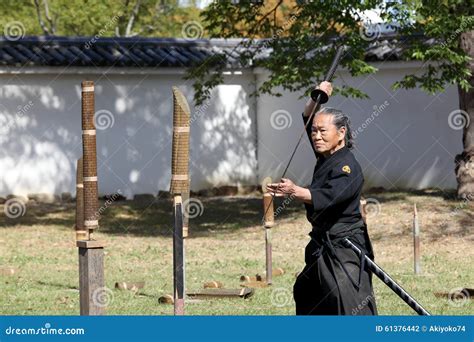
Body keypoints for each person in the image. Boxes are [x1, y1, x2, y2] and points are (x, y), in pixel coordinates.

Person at [266, 81, 378, 315]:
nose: (316, 136)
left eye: (322, 131)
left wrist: (293, 191)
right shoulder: (326, 154)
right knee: (307, 291)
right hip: (321, 244)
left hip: (345, 246)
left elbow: (328, 196)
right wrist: (317, 96)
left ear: (341, 133)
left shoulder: (348, 167)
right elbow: (308, 115)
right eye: (314, 131)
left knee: (346, 300)